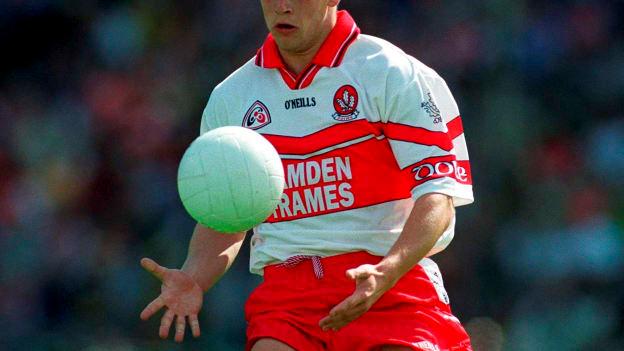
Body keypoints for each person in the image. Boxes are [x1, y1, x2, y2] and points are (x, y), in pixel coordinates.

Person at [140, 1, 474, 350]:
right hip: (288, 298)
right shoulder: (231, 98)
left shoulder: (391, 72)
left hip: (390, 286)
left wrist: (387, 270)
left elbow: (437, 197)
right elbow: (227, 218)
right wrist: (194, 276)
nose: (282, 6)